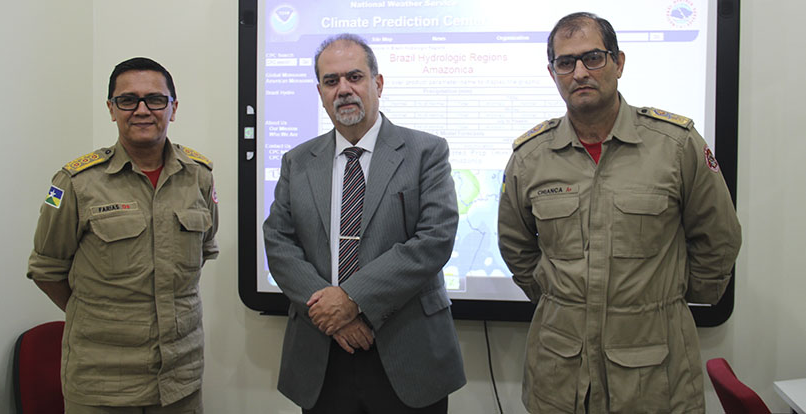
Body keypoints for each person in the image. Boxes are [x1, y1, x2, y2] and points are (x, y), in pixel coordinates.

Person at [498, 12, 741, 414]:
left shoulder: (676, 146)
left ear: (618, 62)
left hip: (655, 371)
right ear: (553, 72)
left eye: (593, 57)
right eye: (566, 62)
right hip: (560, 372)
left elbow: (719, 236)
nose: (579, 72)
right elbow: (515, 244)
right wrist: (559, 299)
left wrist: (668, 299)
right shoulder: (530, 157)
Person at [263, 33, 465, 413]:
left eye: (354, 77)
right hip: (322, 352)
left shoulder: (426, 152)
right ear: (320, 91)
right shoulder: (298, 161)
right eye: (331, 81)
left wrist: (352, 300)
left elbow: (434, 239)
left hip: (409, 353)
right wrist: (332, 315)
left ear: (378, 83)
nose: (343, 89)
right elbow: (278, 242)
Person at [27, 57, 218, 413]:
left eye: (155, 100)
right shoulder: (75, 183)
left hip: (180, 379)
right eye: (128, 100)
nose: (142, 110)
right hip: (102, 384)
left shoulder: (199, 177)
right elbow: (46, 269)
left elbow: (202, 252)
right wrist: (99, 316)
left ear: (173, 108)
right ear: (112, 109)